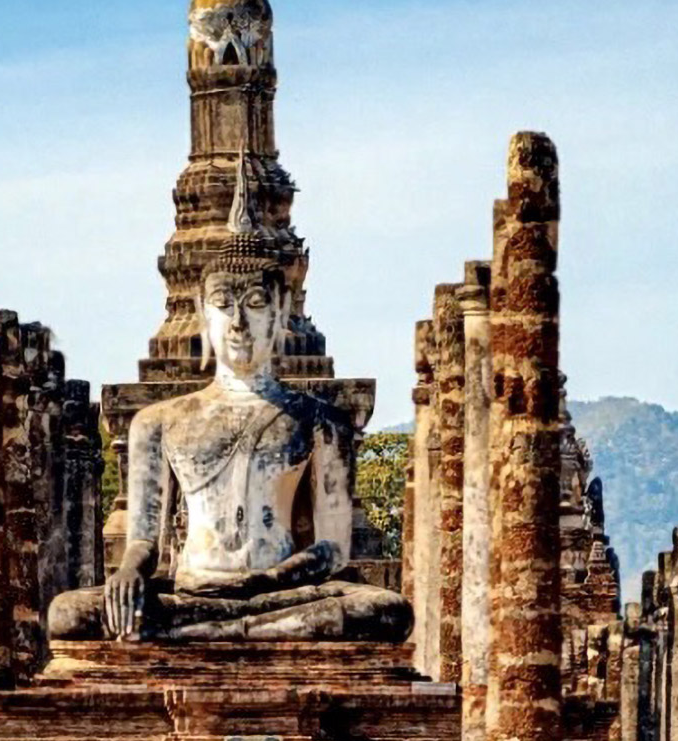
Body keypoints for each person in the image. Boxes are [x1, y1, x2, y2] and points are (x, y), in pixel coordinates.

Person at [48, 154, 410, 643]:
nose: (239, 323)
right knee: (68, 615)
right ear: (203, 313)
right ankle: (231, 628)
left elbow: (332, 549)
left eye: (256, 304)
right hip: (193, 590)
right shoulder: (159, 422)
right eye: (224, 305)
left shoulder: (320, 421)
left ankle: (219, 630)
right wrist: (130, 571)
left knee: (383, 611)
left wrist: (263, 581)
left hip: (281, 591)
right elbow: (144, 539)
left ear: (281, 312)